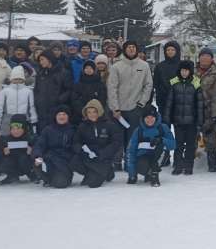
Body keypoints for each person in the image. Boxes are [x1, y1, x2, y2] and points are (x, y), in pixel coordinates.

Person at [108, 40, 153, 170]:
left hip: (135, 108)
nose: (131, 49)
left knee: (132, 138)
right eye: (129, 47)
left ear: (136, 49)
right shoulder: (117, 66)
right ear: (124, 50)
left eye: (133, 47)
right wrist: (115, 108)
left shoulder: (144, 66)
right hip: (119, 110)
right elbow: (112, 87)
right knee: (118, 137)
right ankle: (116, 162)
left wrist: (141, 103)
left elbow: (148, 85)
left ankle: (130, 162)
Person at [71, 99, 122, 188]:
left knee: (93, 184)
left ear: (99, 112)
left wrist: (103, 153)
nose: (92, 114)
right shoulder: (82, 126)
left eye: (94, 112)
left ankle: (106, 172)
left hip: (103, 157)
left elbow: (116, 143)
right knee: (74, 162)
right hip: (88, 156)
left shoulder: (109, 125)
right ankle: (94, 174)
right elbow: (76, 142)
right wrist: (82, 151)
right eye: (89, 112)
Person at [164, 60, 200, 175]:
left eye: (186, 70)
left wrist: (200, 119)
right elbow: (169, 102)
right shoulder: (174, 83)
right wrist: (167, 117)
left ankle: (189, 166)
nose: (184, 73)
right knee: (178, 144)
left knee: (190, 145)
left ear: (190, 71)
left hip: (191, 120)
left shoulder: (196, 83)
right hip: (178, 120)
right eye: (182, 70)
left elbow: (200, 103)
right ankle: (178, 165)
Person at [126, 107, 176, 187]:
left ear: (156, 117)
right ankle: (148, 172)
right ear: (143, 118)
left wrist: (161, 140)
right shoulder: (138, 131)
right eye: (147, 118)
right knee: (141, 163)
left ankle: (154, 174)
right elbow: (131, 151)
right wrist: (132, 175)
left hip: (159, 156)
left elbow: (173, 145)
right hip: (143, 158)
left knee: (160, 148)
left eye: (152, 117)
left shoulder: (163, 128)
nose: (150, 120)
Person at [33, 106, 75, 188]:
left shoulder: (73, 130)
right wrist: (38, 156)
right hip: (49, 159)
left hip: (64, 161)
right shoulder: (48, 129)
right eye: (59, 114)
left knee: (61, 183)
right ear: (55, 116)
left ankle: (56, 178)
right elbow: (39, 144)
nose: (61, 117)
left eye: (64, 114)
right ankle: (47, 179)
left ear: (68, 116)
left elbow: (75, 147)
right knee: (38, 163)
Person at [195, 48, 216, 172]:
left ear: (212, 58)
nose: (205, 58)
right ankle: (189, 161)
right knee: (191, 136)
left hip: (210, 109)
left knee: (211, 138)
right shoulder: (192, 71)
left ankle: (212, 164)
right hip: (194, 109)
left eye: (207, 56)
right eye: (202, 56)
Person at [0, 65, 38, 136]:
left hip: (23, 118)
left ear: (23, 79)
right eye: (15, 79)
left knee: (23, 136)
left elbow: (32, 107)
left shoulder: (28, 91)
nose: (17, 81)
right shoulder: (4, 91)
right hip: (8, 119)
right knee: (6, 137)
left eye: (20, 79)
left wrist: (33, 120)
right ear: (11, 79)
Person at [34, 50, 73, 130]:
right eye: (39, 61)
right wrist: (38, 101)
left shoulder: (63, 73)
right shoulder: (40, 74)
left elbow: (69, 90)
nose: (41, 62)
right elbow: (36, 90)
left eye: (42, 59)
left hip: (57, 110)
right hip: (42, 111)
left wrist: (59, 100)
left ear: (49, 58)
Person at [0, 114, 36, 184]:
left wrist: (32, 152)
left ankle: (32, 175)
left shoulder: (31, 139)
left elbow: (39, 153)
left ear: (24, 128)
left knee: (24, 159)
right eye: (13, 129)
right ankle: (11, 176)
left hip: (26, 164)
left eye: (18, 129)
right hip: (13, 164)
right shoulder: (5, 140)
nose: (15, 131)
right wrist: (4, 152)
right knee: (5, 160)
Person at [71, 60, 108, 126]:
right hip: (80, 116)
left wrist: (94, 112)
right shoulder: (78, 85)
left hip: (97, 115)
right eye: (86, 68)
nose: (88, 70)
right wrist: (83, 112)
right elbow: (74, 100)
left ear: (94, 70)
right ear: (83, 70)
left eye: (91, 68)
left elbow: (103, 99)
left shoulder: (100, 84)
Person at [153, 40, 182, 113]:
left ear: (177, 51)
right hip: (163, 100)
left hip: (180, 101)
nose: (170, 52)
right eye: (168, 50)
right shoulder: (160, 66)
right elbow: (156, 83)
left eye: (172, 50)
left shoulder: (183, 65)